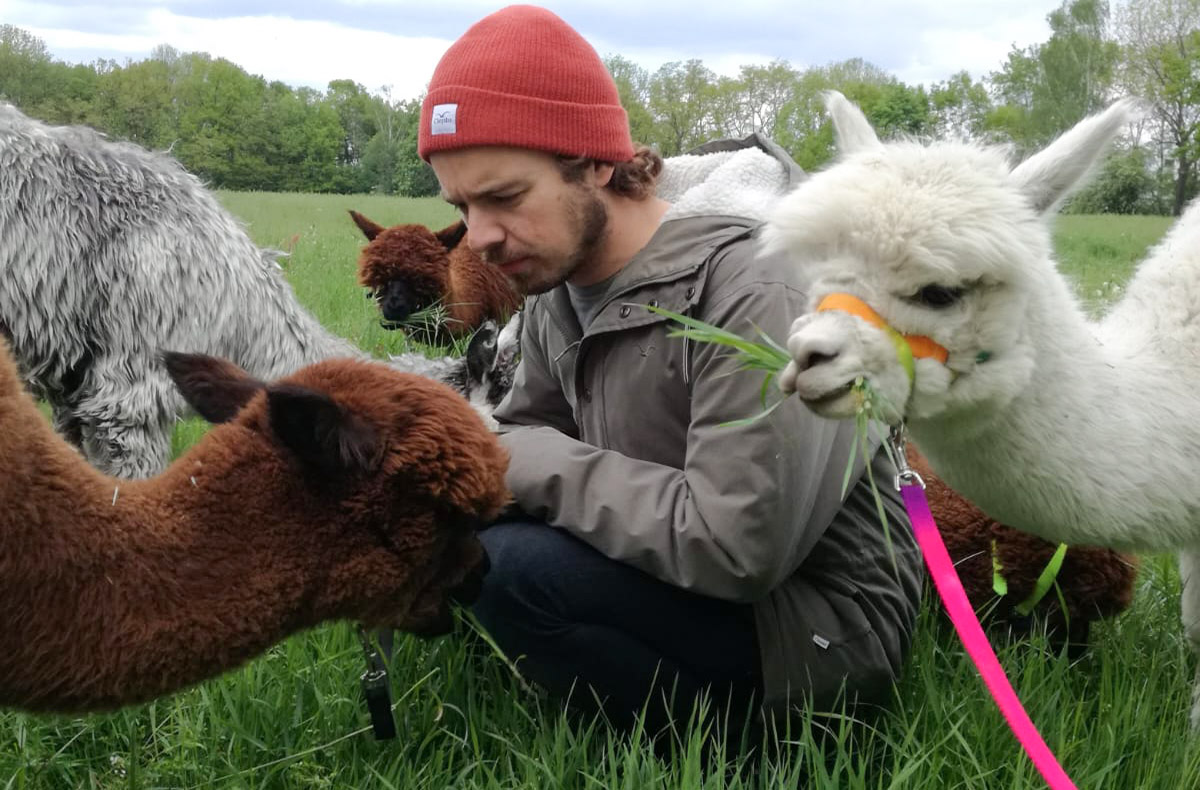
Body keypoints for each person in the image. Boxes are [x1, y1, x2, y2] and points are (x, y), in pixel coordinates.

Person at [417, 4, 925, 738]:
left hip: (813, 632)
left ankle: (744, 755)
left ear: (594, 160)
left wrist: (520, 458)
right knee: (456, 551)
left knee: (512, 573)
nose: (480, 238)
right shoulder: (560, 289)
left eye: (503, 197)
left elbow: (738, 546)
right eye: (462, 206)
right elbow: (528, 433)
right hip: (671, 570)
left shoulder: (761, 288)